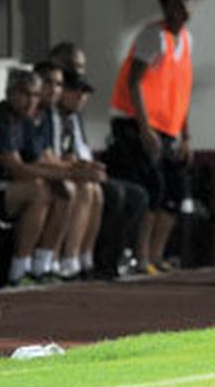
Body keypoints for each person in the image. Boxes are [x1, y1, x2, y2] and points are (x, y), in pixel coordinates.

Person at [108, 0, 195, 275]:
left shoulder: (185, 39)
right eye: (177, 0)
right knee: (153, 191)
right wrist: (145, 129)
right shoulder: (152, 36)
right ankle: (141, 256)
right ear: (166, 5)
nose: (183, 6)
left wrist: (186, 136)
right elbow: (134, 81)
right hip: (139, 126)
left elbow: (182, 91)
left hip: (170, 129)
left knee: (175, 193)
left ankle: (157, 256)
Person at [0, 69, 76, 284]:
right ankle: (18, 270)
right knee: (38, 190)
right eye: (25, 94)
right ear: (10, 92)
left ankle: (41, 266)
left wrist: (69, 173)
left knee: (62, 190)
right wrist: (68, 172)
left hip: (8, 188)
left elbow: (38, 161)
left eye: (35, 95)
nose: (31, 101)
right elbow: (16, 168)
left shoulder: (25, 120)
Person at [57, 66, 147, 279]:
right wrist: (84, 169)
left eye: (84, 92)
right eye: (75, 91)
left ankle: (116, 256)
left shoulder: (75, 119)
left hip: (84, 171)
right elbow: (62, 156)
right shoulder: (54, 117)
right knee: (112, 193)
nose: (81, 97)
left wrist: (93, 167)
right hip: (69, 174)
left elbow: (83, 151)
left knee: (138, 195)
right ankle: (90, 258)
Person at [32, 61, 103, 279]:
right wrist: (73, 169)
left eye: (59, 85)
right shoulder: (41, 113)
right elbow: (45, 157)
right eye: (49, 83)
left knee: (94, 189)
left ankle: (79, 258)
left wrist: (81, 166)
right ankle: (56, 258)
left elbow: (63, 155)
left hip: (48, 170)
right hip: (33, 174)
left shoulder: (61, 117)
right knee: (74, 189)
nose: (54, 90)